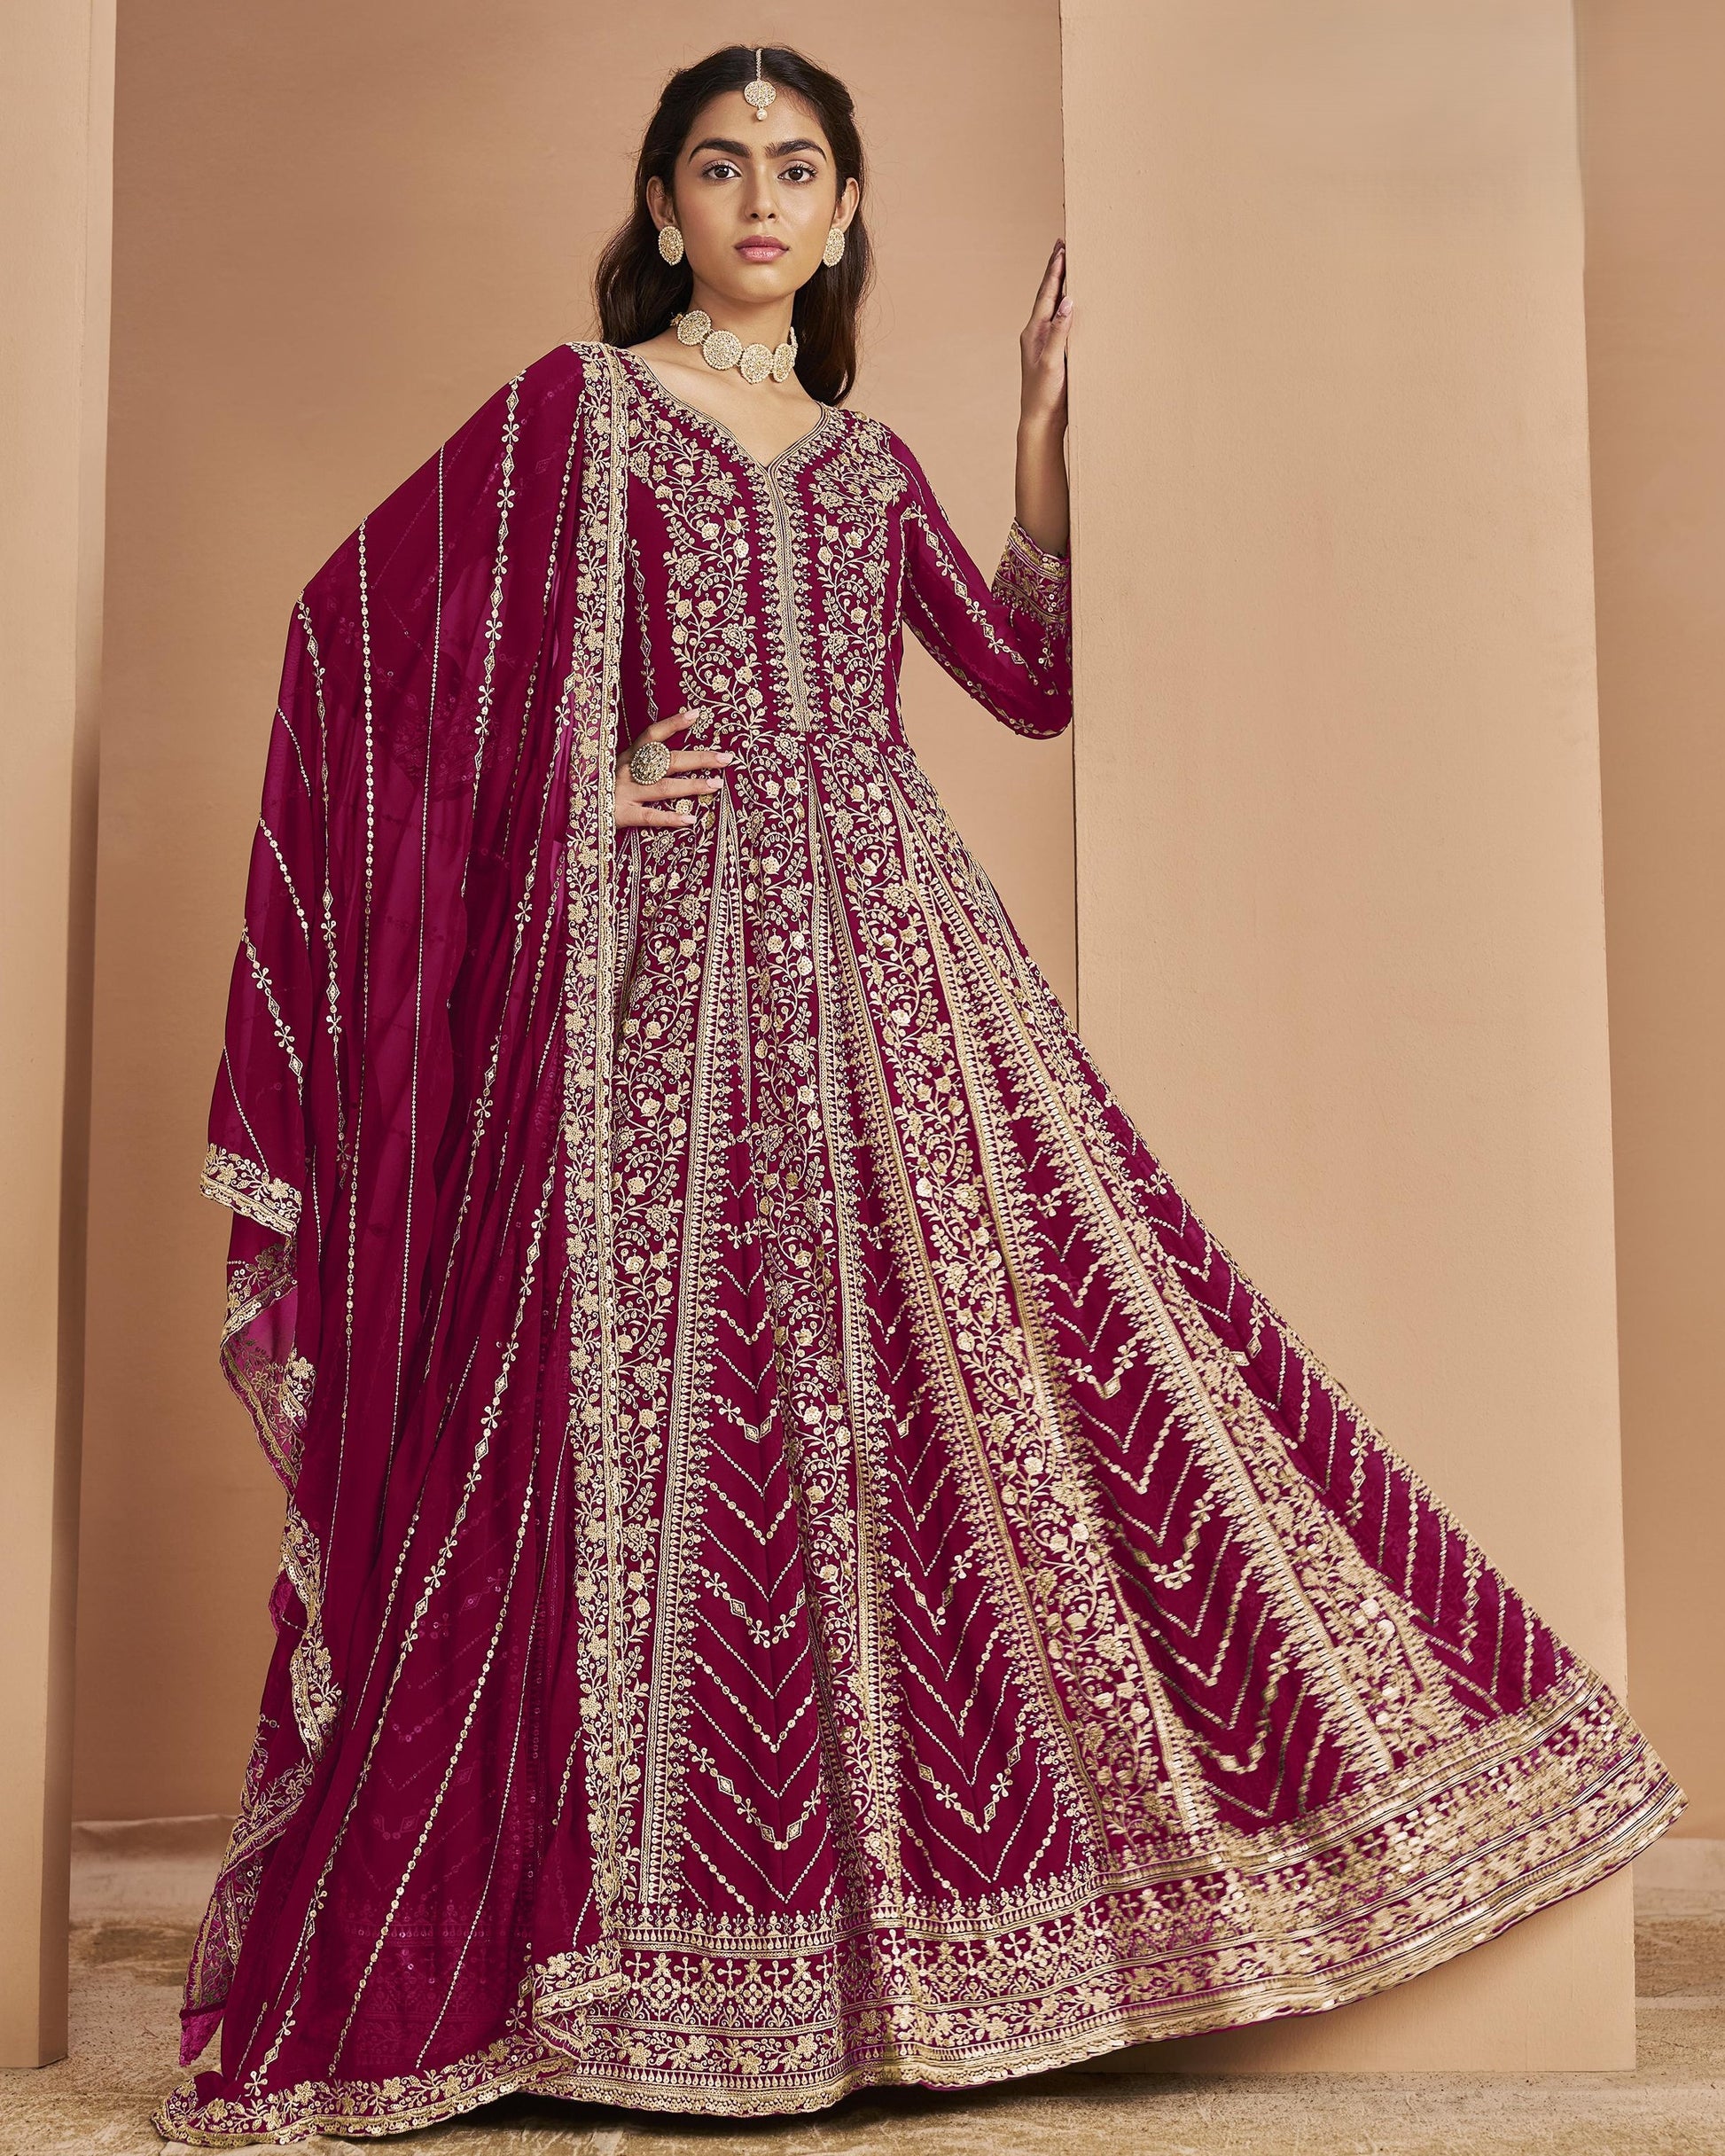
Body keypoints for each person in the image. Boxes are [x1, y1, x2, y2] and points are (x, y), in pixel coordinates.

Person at [156, 43, 1682, 2145]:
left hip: (904, 985)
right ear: (663, 202)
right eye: (721, 167)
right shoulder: (577, 416)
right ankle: (640, 1954)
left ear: (849, 210)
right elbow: (358, 653)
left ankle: (920, 1936)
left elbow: (1022, 676)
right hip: (660, 1017)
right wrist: (574, 791)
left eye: (797, 169)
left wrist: (1040, 454)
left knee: (1008, 1388)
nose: (760, 201)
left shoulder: (864, 465)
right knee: (645, 1422)